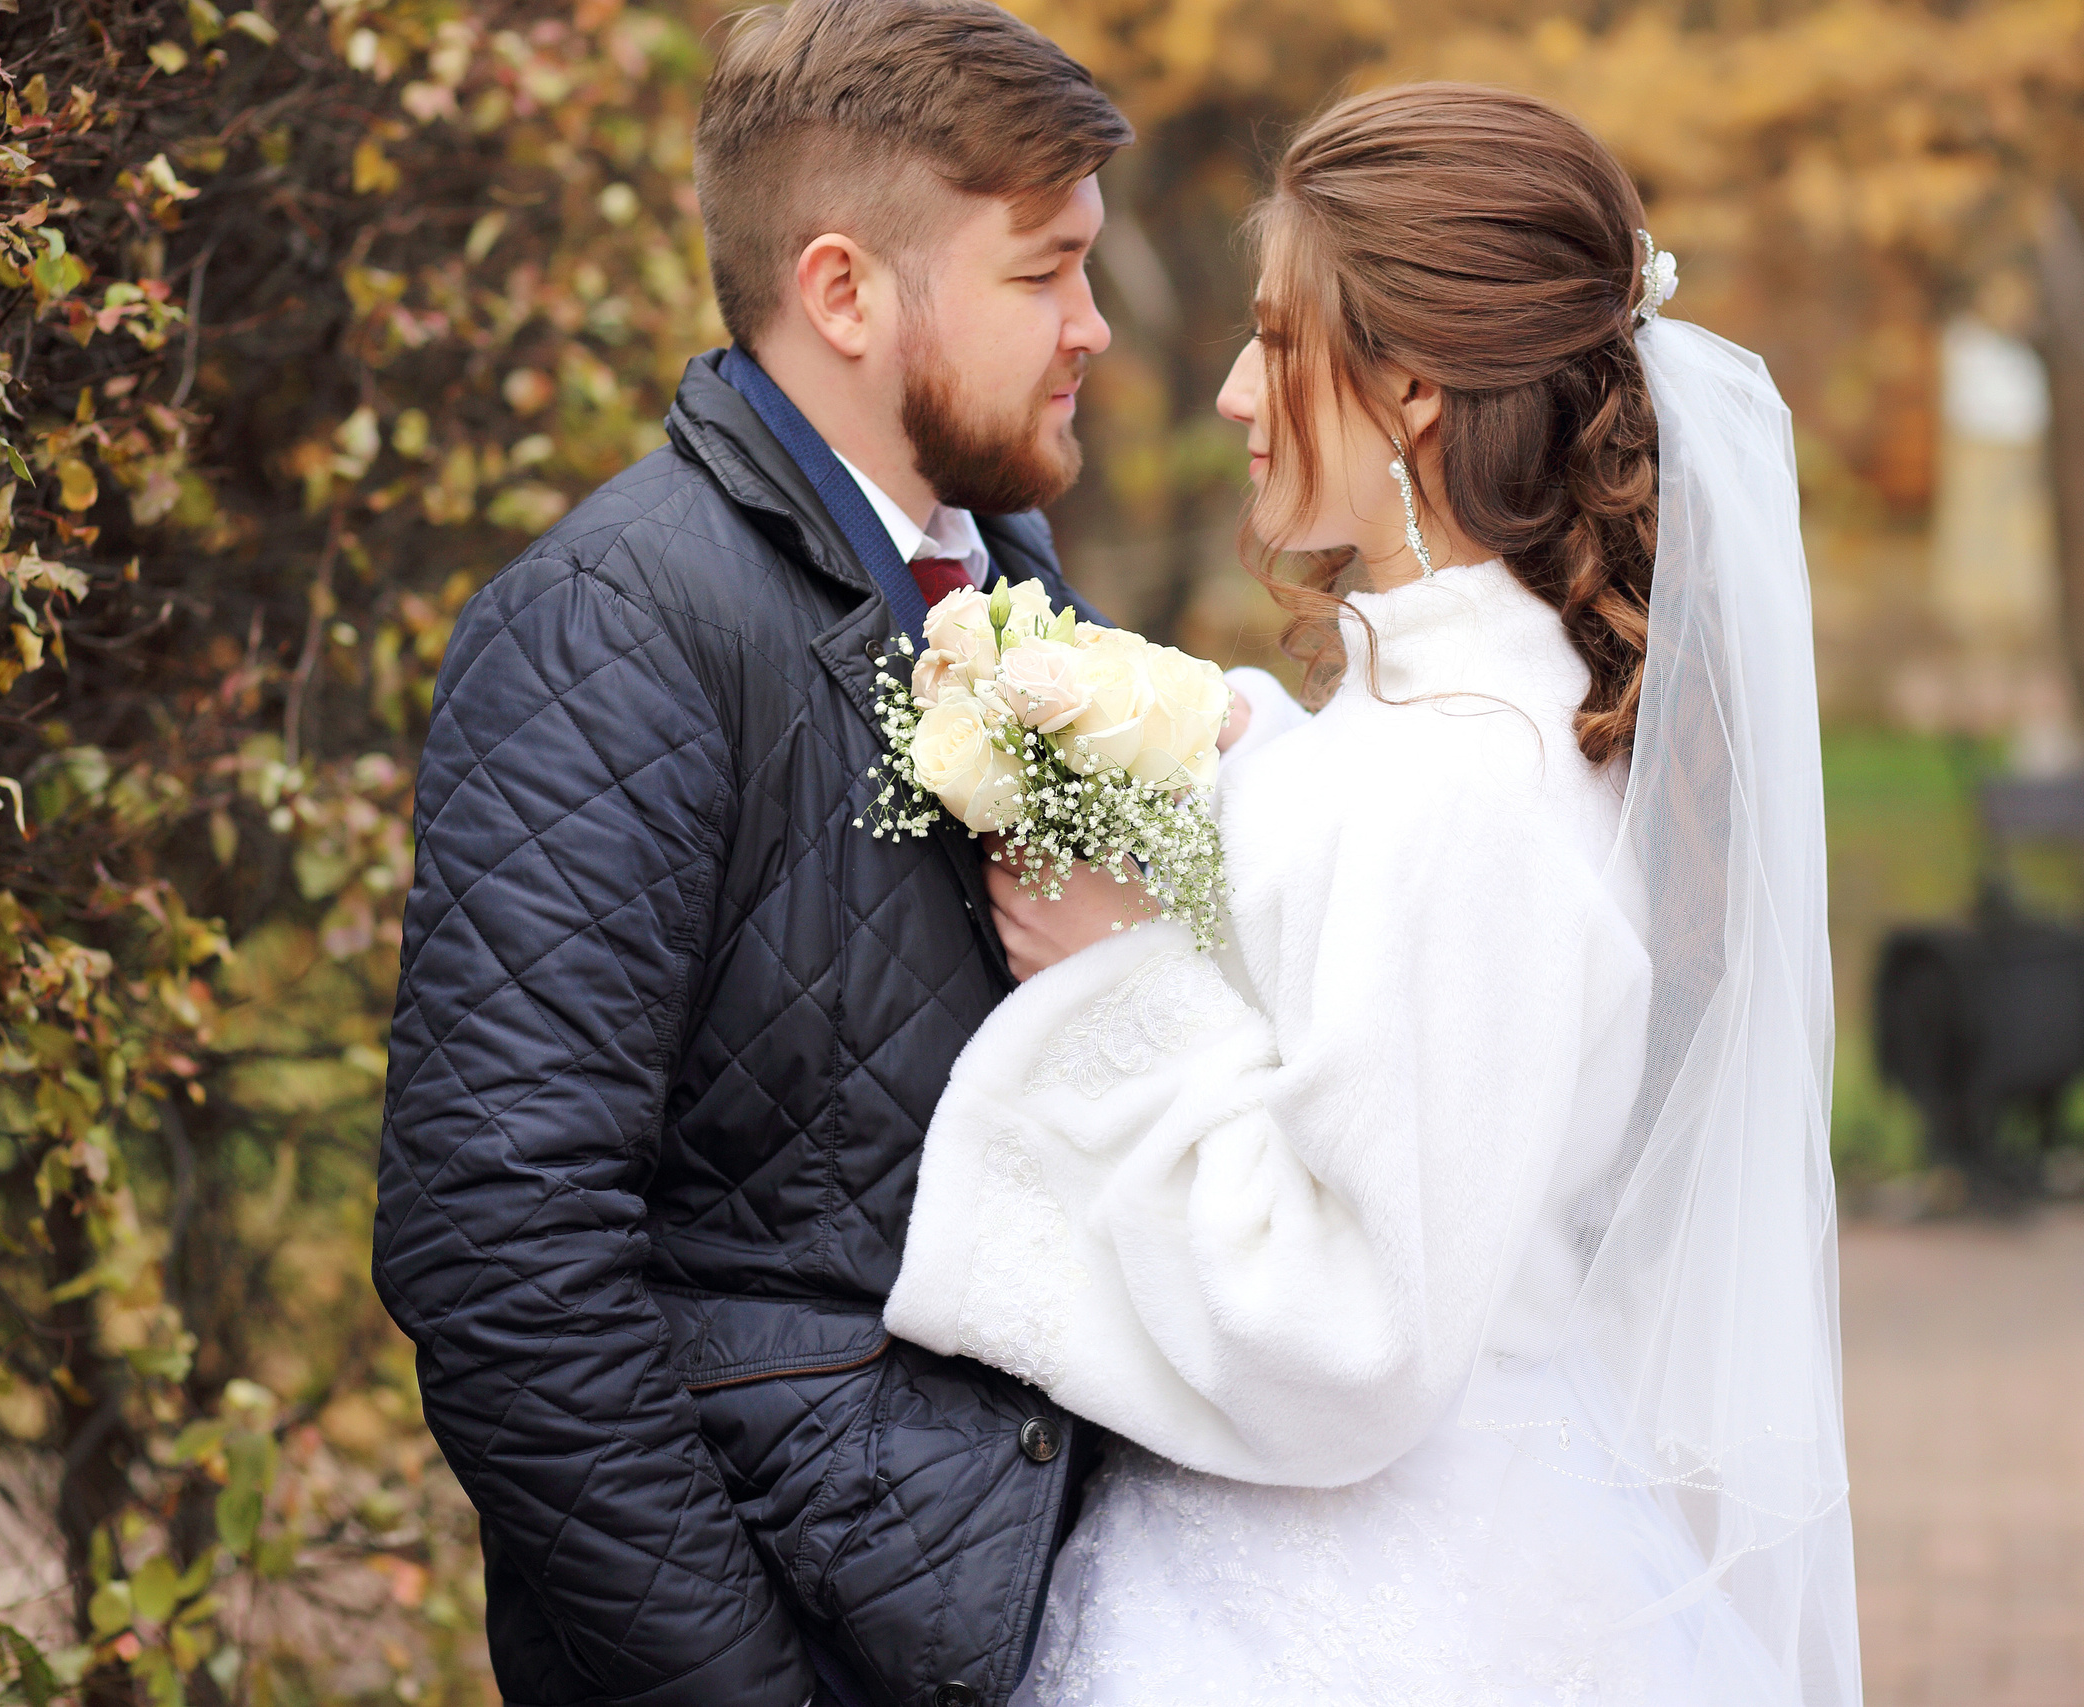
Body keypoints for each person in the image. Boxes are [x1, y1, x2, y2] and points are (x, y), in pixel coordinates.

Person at [886, 85, 1865, 1705]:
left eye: (1275, 340)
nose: (1228, 392)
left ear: (1413, 389)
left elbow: (1354, 1331)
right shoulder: (1464, 720)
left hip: (1349, 1614)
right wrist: (1222, 749)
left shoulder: (1457, 788)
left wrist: (1120, 984)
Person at [369, 4, 1138, 1705]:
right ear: (845, 288)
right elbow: (499, 1250)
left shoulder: (1011, 583)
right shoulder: (617, 625)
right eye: (1042, 274)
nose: (1091, 329)